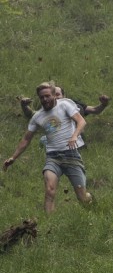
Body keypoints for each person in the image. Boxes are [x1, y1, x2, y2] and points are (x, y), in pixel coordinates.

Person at [3, 82, 93, 214]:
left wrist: (74, 136)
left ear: (53, 96)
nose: (44, 99)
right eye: (42, 97)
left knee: (82, 198)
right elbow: (26, 139)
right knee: (49, 190)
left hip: (71, 154)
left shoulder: (64, 105)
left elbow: (81, 121)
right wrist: (13, 157)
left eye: (47, 96)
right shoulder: (37, 116)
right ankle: (49, 224)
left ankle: (89, 199)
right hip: (53, 157)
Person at [20, 86, 110, 119]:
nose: (55, 97)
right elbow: (31, 115)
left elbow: (95, 110)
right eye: (52, 95)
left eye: (57, 94)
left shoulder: (73, 104)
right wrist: (24, 105)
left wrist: (104, 104)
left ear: (64, 96)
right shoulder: (47, 107)